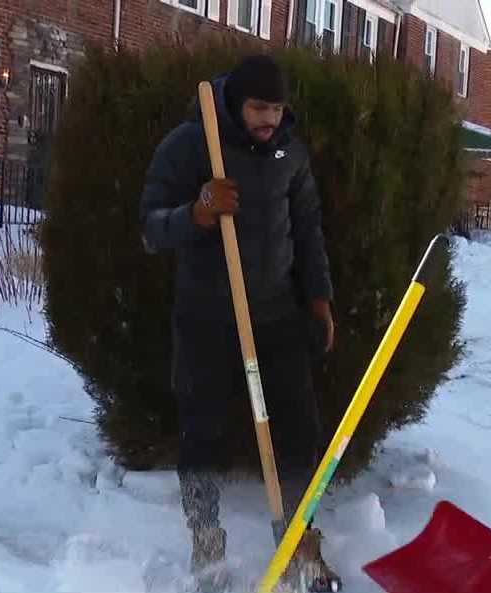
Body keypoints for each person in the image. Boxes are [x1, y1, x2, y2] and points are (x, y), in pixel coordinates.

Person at [139, 55, 338, 592]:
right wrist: (198, 212)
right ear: (235, 102)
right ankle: (206, 541)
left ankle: (299, 539)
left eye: (277, 108)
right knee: (201, 432)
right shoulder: (191, 143)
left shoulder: (289, 151)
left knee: (300, 430)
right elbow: (150, 228)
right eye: (258, 108)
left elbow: (308, 227)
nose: (269, 118)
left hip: (274, 316)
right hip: (206, 319)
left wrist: (318, 298)